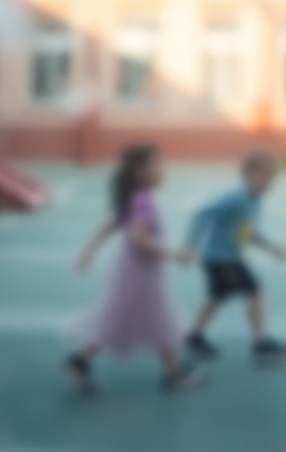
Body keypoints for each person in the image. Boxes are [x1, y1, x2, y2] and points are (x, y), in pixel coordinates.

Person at [66, 144, 206, 393]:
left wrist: (89, 250)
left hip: (132, 270)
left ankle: (81, 360)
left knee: (119, 317)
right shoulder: (143, 200)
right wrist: (176, 254)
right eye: (158, 165)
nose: (163, 170)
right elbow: (138, 240)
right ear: (140, 172)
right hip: (141, 274)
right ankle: (171, 373)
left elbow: (110, 223)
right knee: (164, 318)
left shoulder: (134, 196)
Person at [180, 151, 286, 362]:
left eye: (271, 177)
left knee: (217, 296)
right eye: (263, 176)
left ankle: (193, 336)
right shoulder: (237, 197)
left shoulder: (253, 201)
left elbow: (246, 232)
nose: (268, 182)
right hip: (221, 259)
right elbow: (201, 213)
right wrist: (190, 244)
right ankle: (261, 343)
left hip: (227, 258)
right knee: (254, 290)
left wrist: (271, 247)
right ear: (248, 176)